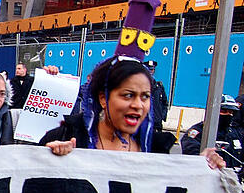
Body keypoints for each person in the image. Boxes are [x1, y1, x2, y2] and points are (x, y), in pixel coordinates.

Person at [39, 56, 223, 168]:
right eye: (128, 95)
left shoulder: (157, 150)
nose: (138, 105)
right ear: (103, 98)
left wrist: (202, 168)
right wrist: (47, 160)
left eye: (145, 96)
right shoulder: (66, 136)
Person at [181, 94, 244, 168]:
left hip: (232, 176)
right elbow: (191, 155)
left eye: (231, 112)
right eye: (224, 111)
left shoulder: (235, 132)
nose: (228, 115)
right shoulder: (199, 131)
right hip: (209, 175)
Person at [144, 60, 169, 132]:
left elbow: (164, 102)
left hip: (157, 122)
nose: (151, 72)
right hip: (145, 121)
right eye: (149, 69)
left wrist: (162, 116)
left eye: (152, 69)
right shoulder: (142, 86)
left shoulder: (159, 86)